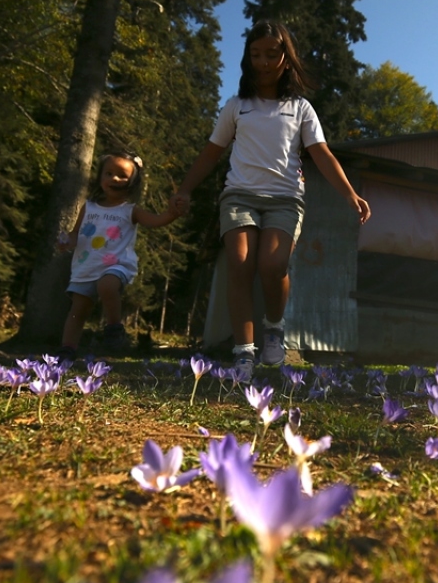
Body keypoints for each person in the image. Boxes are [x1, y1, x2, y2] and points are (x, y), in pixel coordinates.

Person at [172, 20, 370, 382]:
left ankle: (274, 328)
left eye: (272, 54)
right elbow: (211, 153)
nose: (263, 62)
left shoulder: (300, 108)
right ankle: (244, 354)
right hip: (238, 196)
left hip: (284, 199)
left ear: (286, 59)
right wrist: (184, 188)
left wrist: (349, 193)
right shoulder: (236, 106)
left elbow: (321, 153)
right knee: (241, 263)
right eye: (256, 54)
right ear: (248, 59)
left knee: (273, 265)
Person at [58, 151, 182, 359]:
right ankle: (67, 350)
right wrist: (67, 242)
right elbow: (75, 233)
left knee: (106, 285)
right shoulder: (88, 207)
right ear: (100, 177)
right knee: (77, 311)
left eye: (122, 175)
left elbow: (155, 221)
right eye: (109, 173)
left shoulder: (130, 210)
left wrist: (172, 213)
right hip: (85, 266)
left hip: (116, 265)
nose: (114, 178)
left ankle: (114, 327)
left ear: (132, 182)